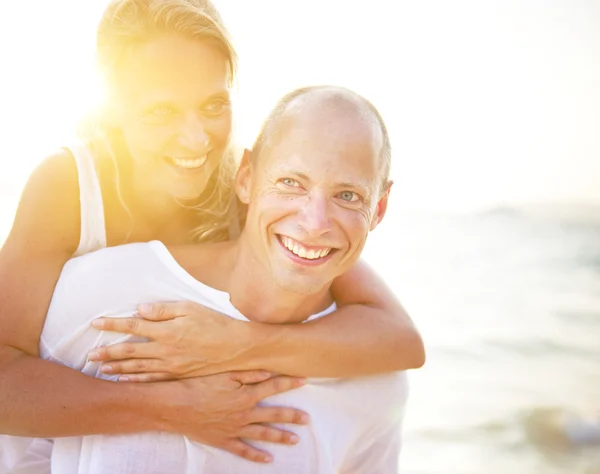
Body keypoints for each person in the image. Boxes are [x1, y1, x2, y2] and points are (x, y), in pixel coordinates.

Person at [0, 0, 423, 470]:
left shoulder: (247, 187)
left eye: (213, 105)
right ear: (113, 109)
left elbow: (399, 339)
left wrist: (238, 342)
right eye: (161, 111)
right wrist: (174, 407)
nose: (196, 139)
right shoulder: (71, 187)